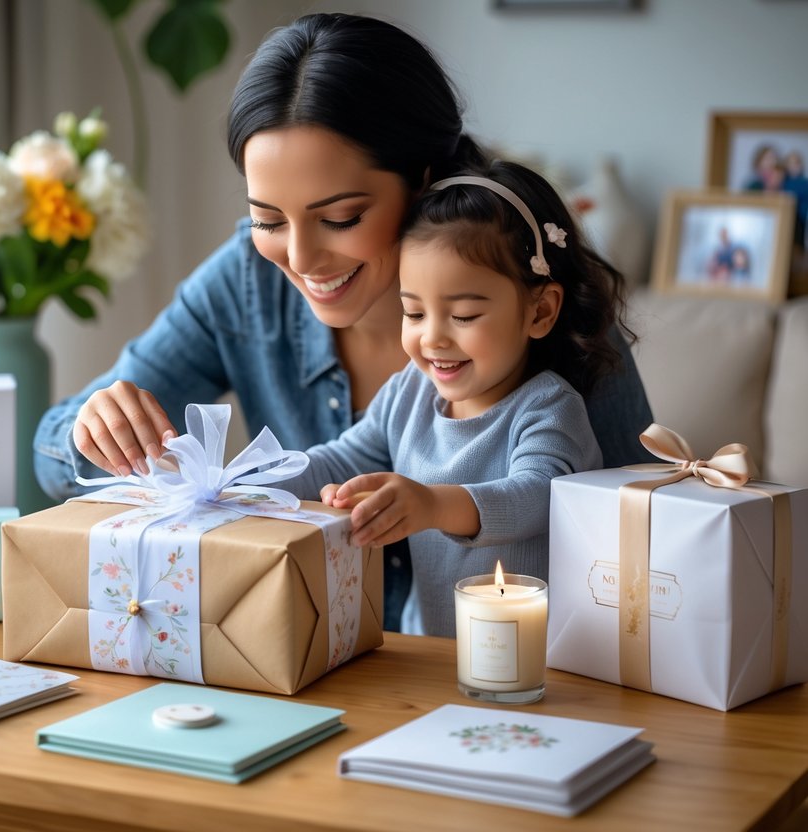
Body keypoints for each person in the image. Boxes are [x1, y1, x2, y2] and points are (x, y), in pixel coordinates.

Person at [33, 12, 654, 632]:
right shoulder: (249, 283)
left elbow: (634, 534)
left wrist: (437, 505)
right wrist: (112, 438)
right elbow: (55, 451)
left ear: (425, 184)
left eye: (341, 218)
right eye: (268, 220)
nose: (300, 260)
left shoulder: (557, 319)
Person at [282, 161, 616, 637]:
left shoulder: (548, 407)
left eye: (462, 315)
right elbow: (341, 458)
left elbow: (537, 496)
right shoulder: (409, 392)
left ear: (539, 311)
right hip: (432, 656)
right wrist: (254, 478)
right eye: (413, 312)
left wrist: (431, 506)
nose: (432, 338)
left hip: (538, 662)